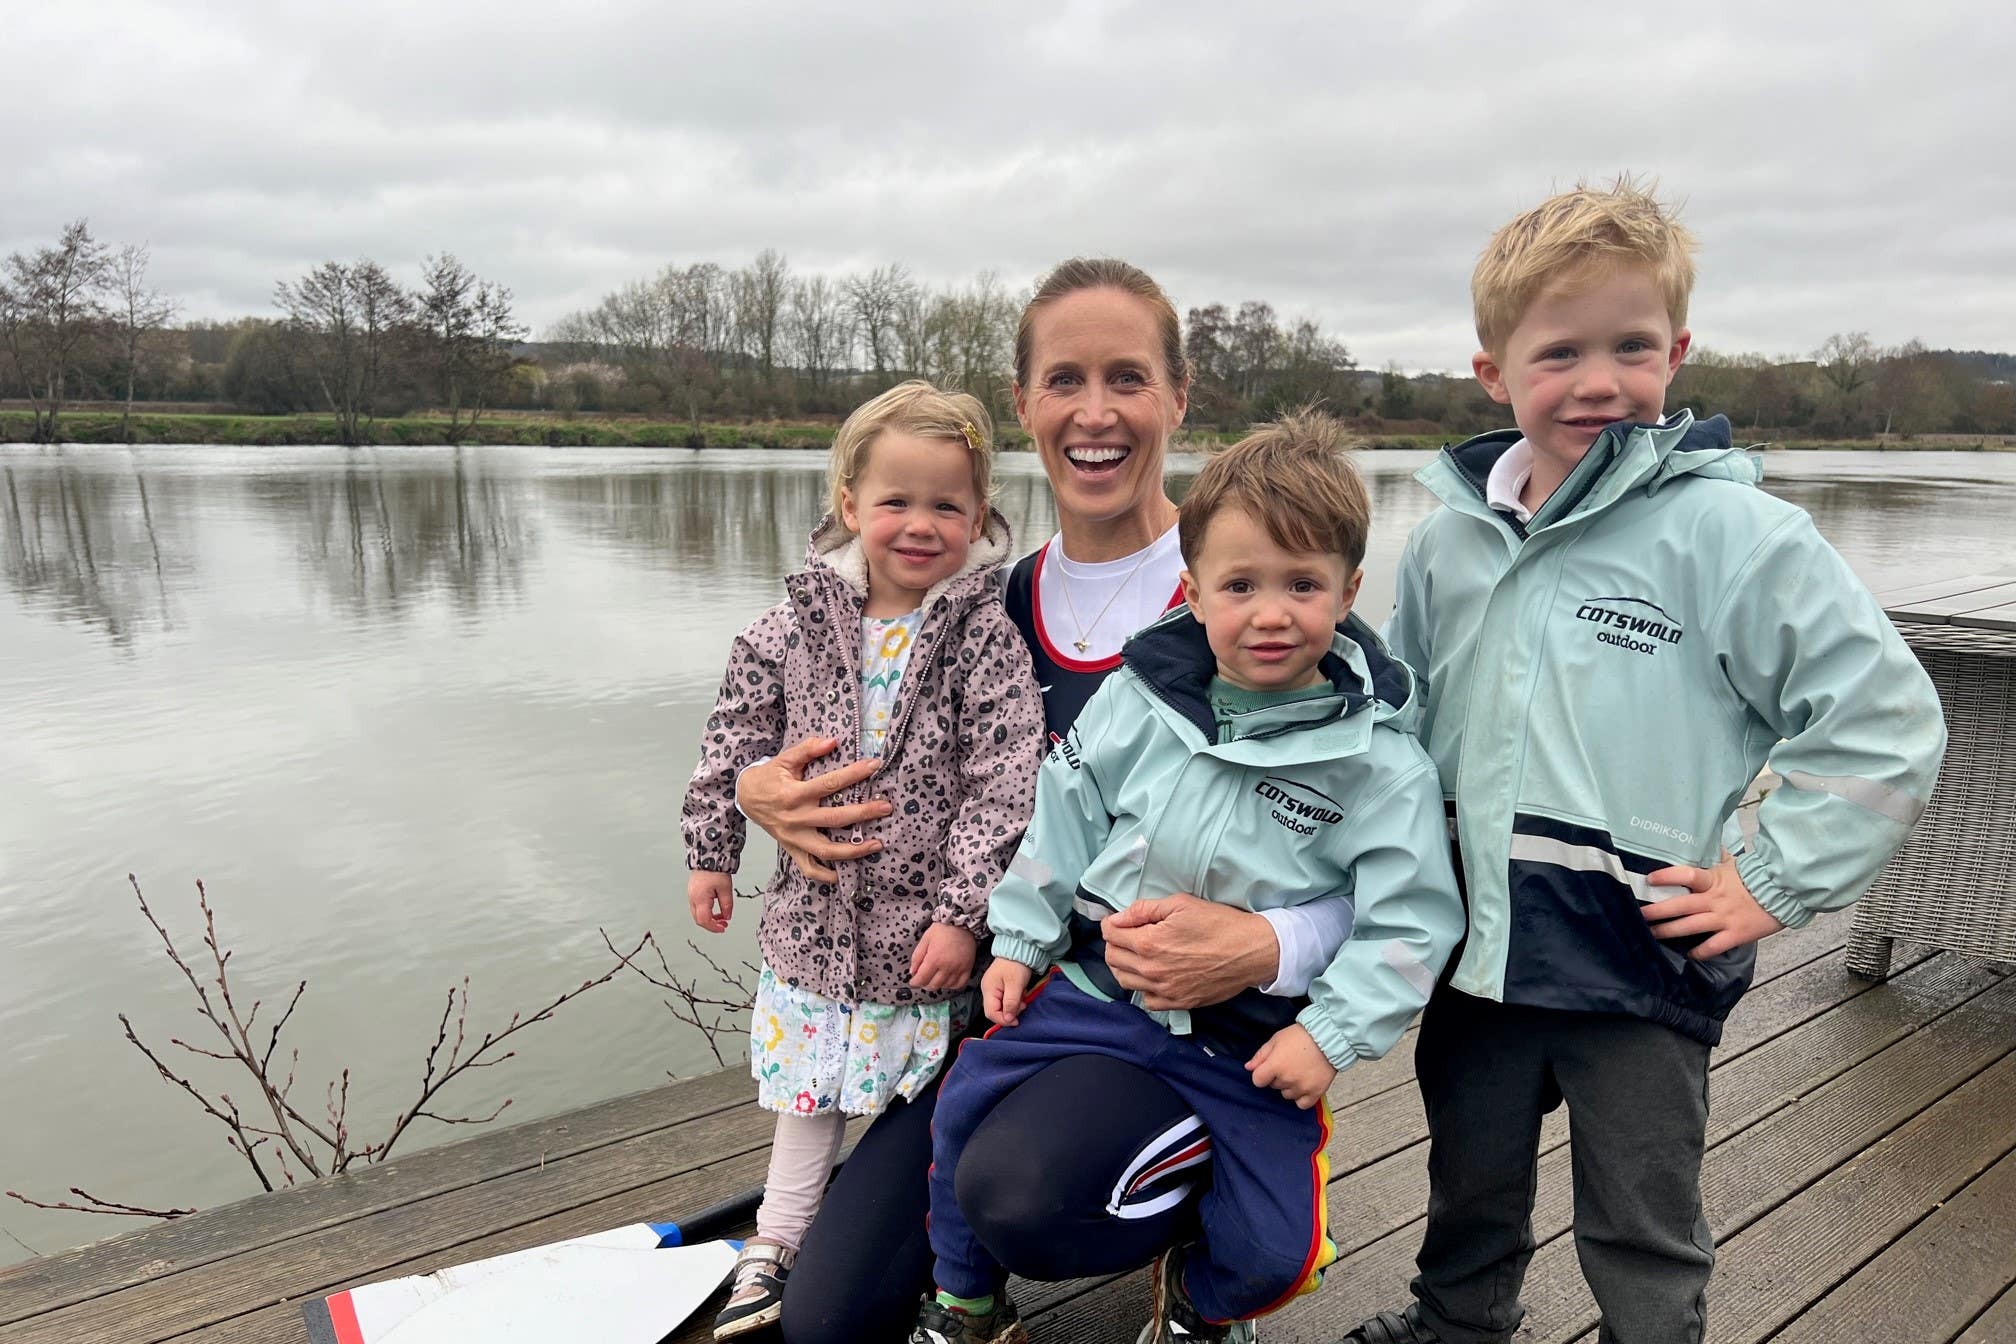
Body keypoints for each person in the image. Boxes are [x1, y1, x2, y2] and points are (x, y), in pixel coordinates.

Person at [1343, 179, 1947, 1344]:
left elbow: (1884, 715)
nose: (1599, 381)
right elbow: (1397, 723)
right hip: (1476, 954)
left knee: (1640, 1213)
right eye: (1559, 351)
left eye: (1631, 346)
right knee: (1468, 1182)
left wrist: (1768, 879)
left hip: (1642, 957)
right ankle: (1458, 1324)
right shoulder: (1448, 542)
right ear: (1494, 373)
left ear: (1676, 352)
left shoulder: (1734, 536)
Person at [736, 260, 1301, 1344]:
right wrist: (763, 788)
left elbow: (1374, 842)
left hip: (1168, 1015)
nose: (1096, 414)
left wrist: (1266, 946)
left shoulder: (1252, 598)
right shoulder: (979, 603)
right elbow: (807, 705)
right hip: (983, 1004)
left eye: (1128, 378)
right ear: (1027, 404)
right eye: (1065, 381)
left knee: (1030, 1197)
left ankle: (1207, 1236)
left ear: (1179, 398)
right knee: (828, 1320)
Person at [909, 415, 1465, 1344]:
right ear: (1193, 591)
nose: (1271, 613)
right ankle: (965, 1302)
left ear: (1350, 591)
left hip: (1249, 1041)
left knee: (1281, 1252)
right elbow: (1064, 815)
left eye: (1302, 584)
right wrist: (1017, 938)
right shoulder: (1139, 699)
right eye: (1240, 584)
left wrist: (1327, 1036)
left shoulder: (1382, 767)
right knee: (963, 1109)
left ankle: (1199, 1311)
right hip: (1100, 995)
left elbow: (1411, 925)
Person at [681, 380, 1046, 1339]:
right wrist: (712, 848)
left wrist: (964, 916)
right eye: (896, 501)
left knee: (916, 1091)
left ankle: (949, 1263)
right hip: (813, 922)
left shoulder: (985, 641)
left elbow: (1004, 787)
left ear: (981, 519)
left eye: (947, 506)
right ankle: (782, 1231)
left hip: (923, 935)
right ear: (849, 504)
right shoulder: (789, 624)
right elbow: (732, 741)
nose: (920, 525)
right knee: (807, 1092)